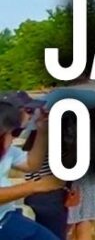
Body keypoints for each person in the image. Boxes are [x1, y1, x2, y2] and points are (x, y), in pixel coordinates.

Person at [0, 101, 62, 240]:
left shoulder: (8, 150)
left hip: (8, 215)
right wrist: (37, 186)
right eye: (15, 132)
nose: (14, 138)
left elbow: (31, 164)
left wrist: (42, 132)